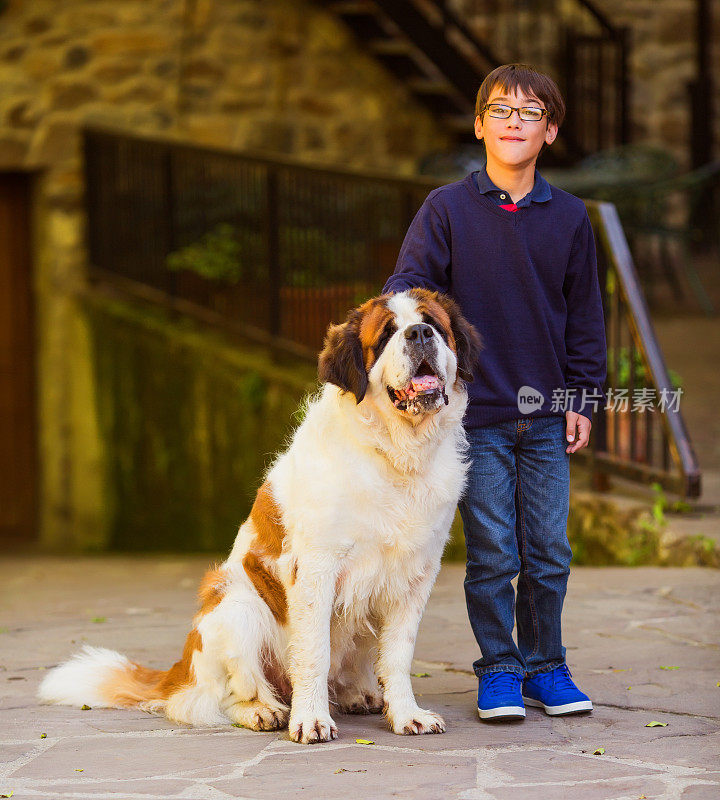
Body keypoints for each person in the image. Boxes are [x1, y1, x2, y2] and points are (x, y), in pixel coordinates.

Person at [382, 63, 607, 721]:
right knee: (492, 556)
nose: (514, 122)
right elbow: (407, 288)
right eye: (501, 111)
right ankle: (500, 669)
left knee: (548, 552)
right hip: (471, 418)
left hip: (544, 417)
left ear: (551, 131)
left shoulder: (568, 217)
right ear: (479, 125)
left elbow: (586, 317)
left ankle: (546, 667)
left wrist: (583, 400)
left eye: (530, 112)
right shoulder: (446, 209)